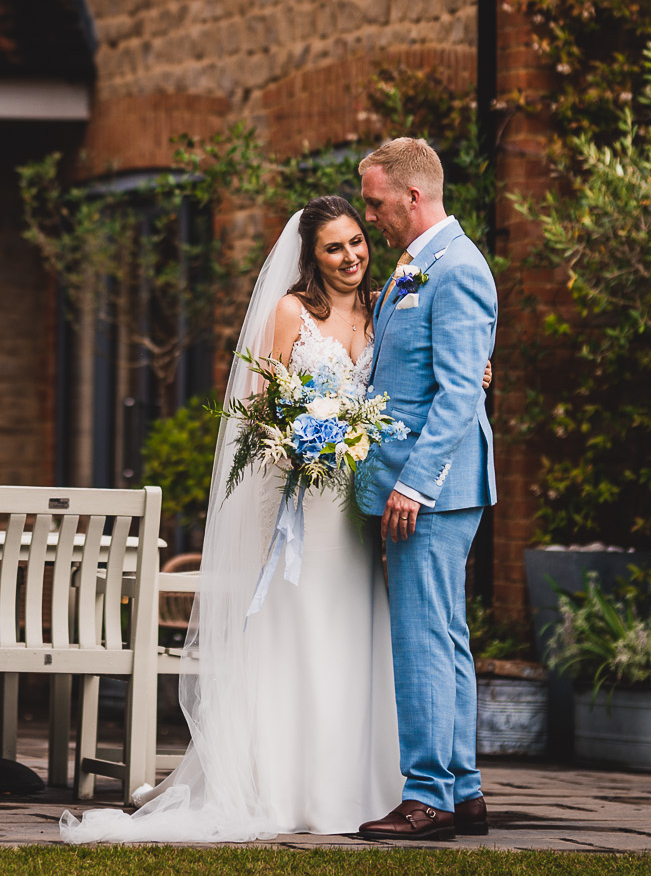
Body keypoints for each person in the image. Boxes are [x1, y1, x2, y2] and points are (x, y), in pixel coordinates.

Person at [59, 193, 489, 843]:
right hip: (305, 500)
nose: (351, 255)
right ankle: (286, 782)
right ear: (311, 258)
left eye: (356, 241)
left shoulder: (384, 308)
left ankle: (363, 783)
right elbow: (261, 409)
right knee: (301, 627)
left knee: (360, 631)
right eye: (334, 247)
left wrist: (475, 369)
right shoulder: (293, 311)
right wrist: (300, 442)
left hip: (360, 500)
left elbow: (419, 374)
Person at [351, 135, 498, 842]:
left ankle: (428, 795)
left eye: (376, 202)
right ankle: (463, 790)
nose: (370, 215)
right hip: (420, 483)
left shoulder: (459, 268)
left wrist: (414, 483)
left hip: (432, 488)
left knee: (422, 640)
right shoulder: (417, 264)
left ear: (414, 196)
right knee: (445, 634)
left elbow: (458, 394)